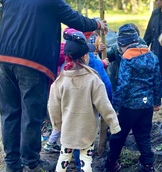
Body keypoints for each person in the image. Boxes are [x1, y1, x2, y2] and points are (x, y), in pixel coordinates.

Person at [0, 0, 108, 172]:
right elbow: (75, 20)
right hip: (32, 64)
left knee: (9, 113)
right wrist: (97, 24)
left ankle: (12, 164)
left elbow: (1, 23)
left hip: (3, 61)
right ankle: (31, 162)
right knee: (32, 114)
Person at [48, 31, 121, 172]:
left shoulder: (60, 81)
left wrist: (57, 125)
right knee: (86, 160)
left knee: (64, 158)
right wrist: (114, 124)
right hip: (87, 131)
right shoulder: (93, 79)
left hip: (67, 131)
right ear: (84, 57)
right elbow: (104, 105)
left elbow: (53, 106)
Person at [105, 24, 161, 172]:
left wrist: (115, 106)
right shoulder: (152, 56)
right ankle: (148, 164)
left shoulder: (127, 58)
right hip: (147, 105)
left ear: (123, 44)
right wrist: (156, 101)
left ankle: (111, 163)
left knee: (119, 136)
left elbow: (123, 85)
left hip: (129, 106)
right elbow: (157, 80)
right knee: (143, 135)